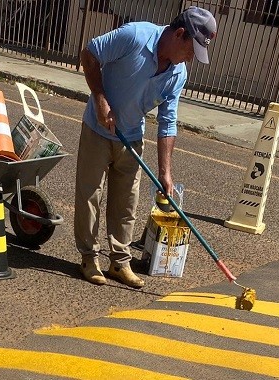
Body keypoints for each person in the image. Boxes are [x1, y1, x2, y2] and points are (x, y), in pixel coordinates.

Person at [75, 6, 217, 288]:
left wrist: (166, 173)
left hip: (131, 137)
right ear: (179, 35)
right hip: (98, 129)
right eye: (192, 50)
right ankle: (89, 258)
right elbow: (89, 54)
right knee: (90, 195)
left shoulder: (177, 74)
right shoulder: (134, 35)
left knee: (127, 202)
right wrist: (100, 99)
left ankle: (119, 261)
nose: (191, 58)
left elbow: (168, 122)